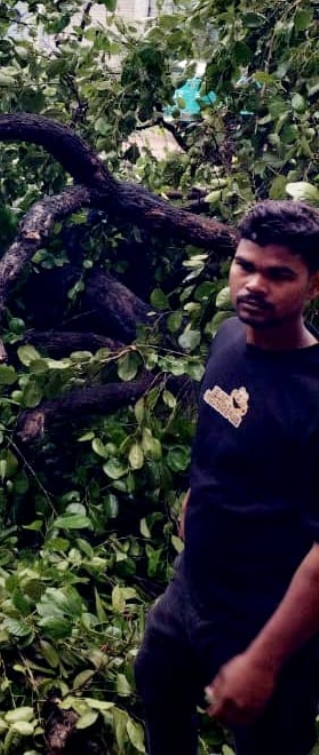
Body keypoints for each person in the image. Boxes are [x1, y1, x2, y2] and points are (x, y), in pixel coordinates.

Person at [135, 199, 319, 754]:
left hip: (264, 619)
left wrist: (262, 661)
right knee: (157, 685)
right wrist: (196, 502)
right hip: (193, 586)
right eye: (245, 265)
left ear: (314, 286)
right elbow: (220, 439)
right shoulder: (227, 340)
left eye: (279, 274)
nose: (254, 285)